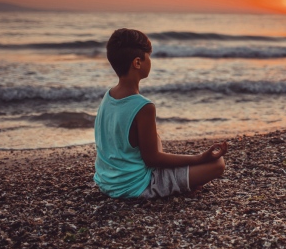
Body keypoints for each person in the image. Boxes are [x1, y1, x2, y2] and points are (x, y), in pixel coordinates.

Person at [94, 28, 227, 199]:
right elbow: (152, 159)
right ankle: (177, 185)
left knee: (155, 137)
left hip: (106, 182)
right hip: (135, 186)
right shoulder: (143, 106)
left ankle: (179, 180)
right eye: (148, 56)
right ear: (137, 62)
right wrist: (199, 158)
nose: (150, 61)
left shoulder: (108, 95)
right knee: (218, 164)